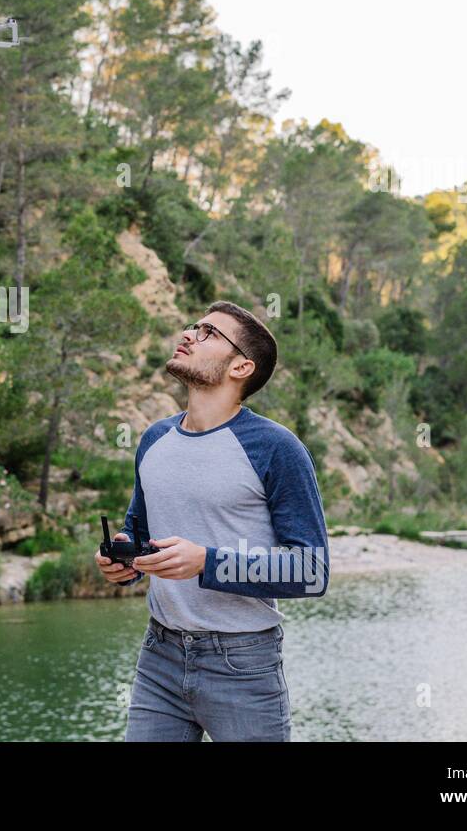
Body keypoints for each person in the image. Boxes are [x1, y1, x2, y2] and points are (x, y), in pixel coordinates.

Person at [95, 300, 330, 741]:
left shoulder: (278, 448)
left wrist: (207, 561)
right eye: (192, 327)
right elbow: (141, 537)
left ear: (241, 367)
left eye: (207, 333)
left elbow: (312, 572)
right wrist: (123, 563)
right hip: (159, 656)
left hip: (242, 663)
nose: (188, 335)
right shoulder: (154, 439)